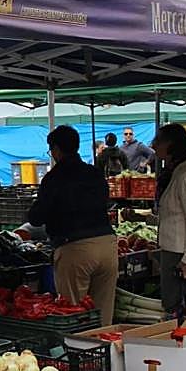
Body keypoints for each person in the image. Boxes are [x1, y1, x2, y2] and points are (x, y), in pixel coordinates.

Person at [28, 125, 118, 326]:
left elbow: (37, 217)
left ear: (56, 149)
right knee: (104, 314)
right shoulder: (94, 173)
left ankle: (81, 354)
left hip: (75, 248)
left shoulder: (54, 178)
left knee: (74, 314)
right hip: (107, 244)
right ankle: (106, 352)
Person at [151, 124, 186, 316]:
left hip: (182, 254)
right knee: (173, 307)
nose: (153, 145)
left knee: (181, 308)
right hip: (174, 251)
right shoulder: (177, 172)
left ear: (171, 144)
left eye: (158, 141)